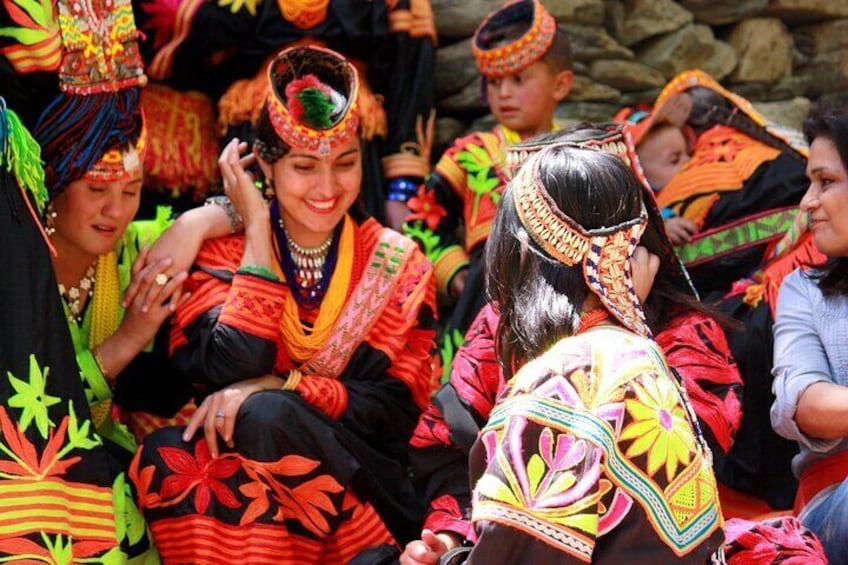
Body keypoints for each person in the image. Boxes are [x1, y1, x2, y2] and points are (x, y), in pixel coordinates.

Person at [130, 45, 440, 564]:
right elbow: (233, 362)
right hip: (237, 475)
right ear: (266, 168)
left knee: (267, 413)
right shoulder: (219, 250)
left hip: (355, 480)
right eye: (303, 166)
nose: (326, 187)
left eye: (344, 164)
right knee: (172, 456)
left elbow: (394, 412)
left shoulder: (398, 263)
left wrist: (286, 387)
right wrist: (251, 226)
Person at [403, 124, 743, 565]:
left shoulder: (581, 374)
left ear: (523, 253)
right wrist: (451, 541)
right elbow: (448, 447)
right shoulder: (504, 328)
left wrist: (618, 317)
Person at [133, 0, 436, 226]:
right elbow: (172, 27)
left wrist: (403, 187)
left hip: (350, 128)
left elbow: (409, 67)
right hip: (253, 131)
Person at [404, 0, 574, 374]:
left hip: (564, 294)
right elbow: (420, 222)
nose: (504, 94)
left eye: (519, 79)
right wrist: (457, 274)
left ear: (561, 84)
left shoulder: (579, 154)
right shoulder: (471, 154)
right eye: (495, 83)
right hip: (485, 295)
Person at [771, 98, 848, 564]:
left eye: (826, 182)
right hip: (835, 500)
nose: (808, 202)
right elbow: (802, 402)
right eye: (810, 183)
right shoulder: (804, 290)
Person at [613, 105, 699, 246]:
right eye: (674, 160)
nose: (689, 162)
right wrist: (661, 229)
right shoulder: (639, 211)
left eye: (688, 153)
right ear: (640, 177)